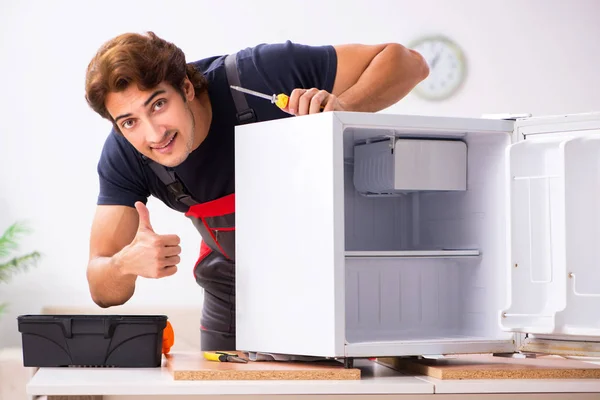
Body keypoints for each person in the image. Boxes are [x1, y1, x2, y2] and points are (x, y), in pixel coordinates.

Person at [84, 31, 429, 350]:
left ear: (186, 87)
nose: (154, 134)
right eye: (129, 121)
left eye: (158, 104)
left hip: (329, 272)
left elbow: (410, 63)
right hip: (233, 288)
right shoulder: (125, 156)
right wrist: (123, 264)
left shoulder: (260, 74)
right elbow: (102, 288)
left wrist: (341, 110)